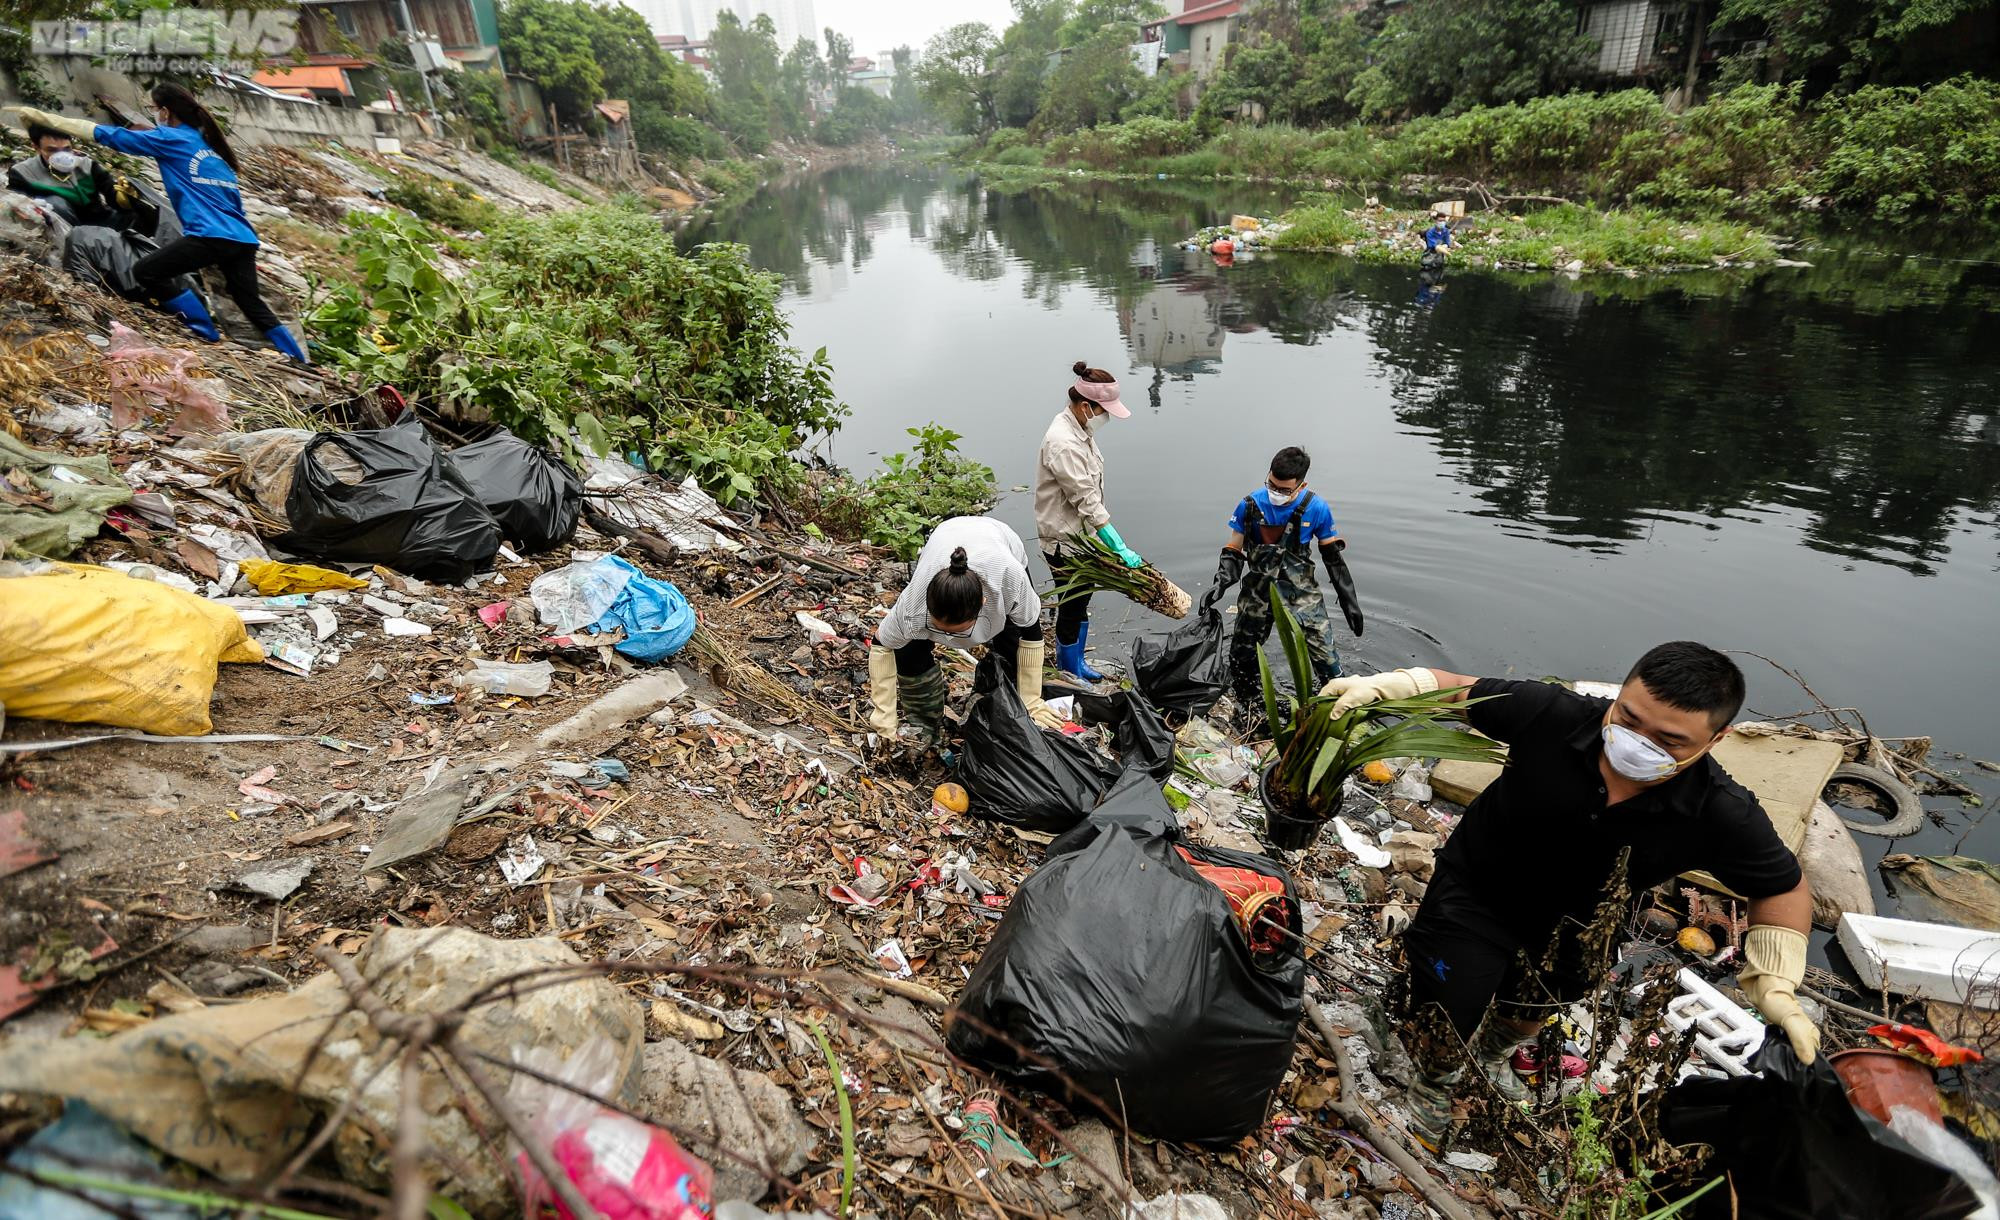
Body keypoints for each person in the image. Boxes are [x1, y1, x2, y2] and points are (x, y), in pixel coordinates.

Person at [1320, 643, 1816, 1148]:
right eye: (1629, 719)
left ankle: (1492, 1054)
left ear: (1717, 739)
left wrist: (1775, 980)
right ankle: (1435, 1078)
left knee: (1534, 1006)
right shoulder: (1552, 715)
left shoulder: (1720, 812)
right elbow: (1459, 691)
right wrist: (1390, 687)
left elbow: (1782, 886)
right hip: (1478, 889)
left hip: (1581, 925)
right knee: (1452, 999)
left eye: (1669, 740)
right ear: (1618, 696)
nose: (1637, 742)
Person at [4, 87, 308, 363]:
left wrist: (49, 119)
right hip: (243, 238)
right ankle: (299, 358)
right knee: (248, 300)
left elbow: (109, 135)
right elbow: (233, 202)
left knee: (146, 271)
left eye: (154, 108)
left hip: (209, 235)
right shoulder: (210, 149)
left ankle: (206, 334)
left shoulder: (172, 139)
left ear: (165, 111)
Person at [868, 516, 1062, 742]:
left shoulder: (1010, 579)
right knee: (909, 653)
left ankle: (1004, 712)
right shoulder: (913, 603)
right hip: (944, 539)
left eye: (957, 631)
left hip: (998, 538)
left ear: (982, 605)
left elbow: (1031, 634)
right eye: (941, 630)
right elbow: (881, 646)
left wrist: (1032, 701)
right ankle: (925, 721)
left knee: (1011, 647)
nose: (949, 638)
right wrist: (884, 720)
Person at [1208, 446, 1363, 718]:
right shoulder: (1250, 505)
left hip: (1301, 592)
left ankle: (1338, 706)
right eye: (1271, 485)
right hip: (1258, 592)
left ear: (1301, 485)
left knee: (1325, 655)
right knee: (1242, 656)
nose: (1275, 492)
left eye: (1284, 489)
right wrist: (1220, 583)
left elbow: (1332, 556)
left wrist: (1348, 599)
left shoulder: (1316, 508)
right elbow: (1234, 549)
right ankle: (1250, 708)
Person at [1034, 359, 1141, 682]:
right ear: (1085, 406)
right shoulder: (1063, 442)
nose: (1105, 417)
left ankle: (1077, 661)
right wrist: (1118, 545)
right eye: (1103, 411)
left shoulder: (1080, 429)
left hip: (1083, 537)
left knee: (1083, 598)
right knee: (1072, 603)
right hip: (1064, 541)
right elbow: (1086, 500)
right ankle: (1069, 669)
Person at [6, 123, 125, 228]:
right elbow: (18, 205)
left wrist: (126, 197)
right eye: (52, 150)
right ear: (37, 148)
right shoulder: (23, 173)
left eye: (67, 149)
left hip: (101, 221)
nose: (62, 155)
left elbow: (112, 194)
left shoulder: (88, 166)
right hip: (63, 229)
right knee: (56, 204)